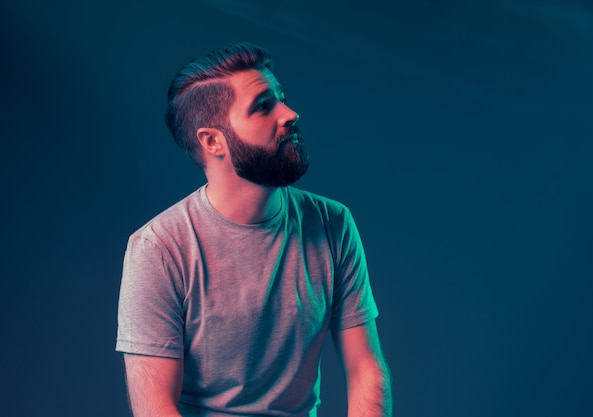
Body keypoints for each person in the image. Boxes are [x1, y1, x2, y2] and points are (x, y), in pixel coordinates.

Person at [116, 42, 392, 417]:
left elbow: (366, 371)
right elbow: (155, 409)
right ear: (212, 141)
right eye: (263, 106)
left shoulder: (332, 224)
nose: (291, 114)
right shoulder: (158, 249)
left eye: (281, 98)